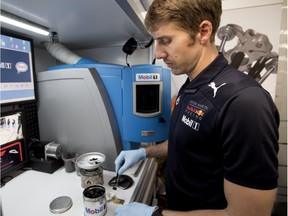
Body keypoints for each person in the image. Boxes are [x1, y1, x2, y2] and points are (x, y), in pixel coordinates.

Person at [115, 0, 280, 215]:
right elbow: (187, 143)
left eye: (166, 40)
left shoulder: (245, 103)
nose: (158, 53)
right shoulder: (191, 85)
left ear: (203, 31)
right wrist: (143, 152)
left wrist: (155, 215)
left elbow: (248, 213)